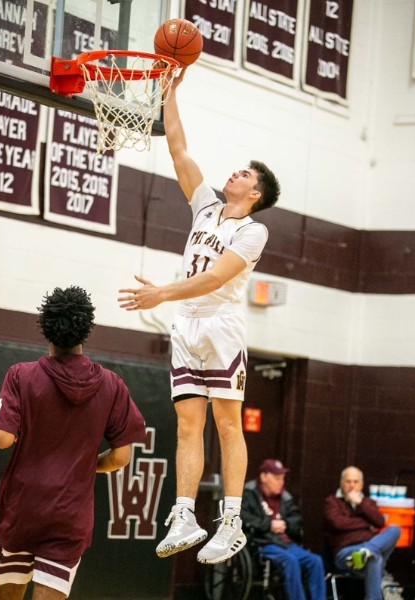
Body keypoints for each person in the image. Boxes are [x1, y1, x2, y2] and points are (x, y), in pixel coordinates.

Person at [119, 69, 281, 564]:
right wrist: (170, 91)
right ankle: (184, 513)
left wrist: (161, 294)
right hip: (186, 323)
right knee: (187, 424)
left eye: (244, 175)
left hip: (221, 323)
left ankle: (230, 521)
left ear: (255, 194)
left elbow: (214, 279)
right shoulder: (206, 207)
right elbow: (178, 148)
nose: (234, 174)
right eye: (236, 170)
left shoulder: (254, 232)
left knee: (227, 424)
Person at [0, 286, 147, 599]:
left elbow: (3, 439)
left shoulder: (21, 375)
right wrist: (88, 466)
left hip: (23, 507)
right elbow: (122, 457)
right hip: (71, 513)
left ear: (47, 331)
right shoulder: (113, 385)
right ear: (85, 331)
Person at [241, 459, 325, 600]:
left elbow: (296, 518)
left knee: (315, 561)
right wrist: (269, 525)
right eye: (277, 478)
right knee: (290, 560)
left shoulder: (285, 497)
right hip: (263, 542)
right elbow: (244, 517)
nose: (281, 482)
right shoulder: (249, 494)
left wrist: (285, 523)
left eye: (282, 478)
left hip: (285, 543)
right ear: (264, 477)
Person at [324, 467, 401, 599]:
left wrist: (359, 502)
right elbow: (338, 523)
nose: (352, 485)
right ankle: (366, 552)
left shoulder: (367, 502)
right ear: (341, 483)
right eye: (348, 481)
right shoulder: (332, 502)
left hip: (366, 549)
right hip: (346, 554)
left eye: (356, 481)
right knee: (374, 557)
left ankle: (365, 551)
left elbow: (380, 521)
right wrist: (366, 524)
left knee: (395, 530)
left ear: (362, 484)